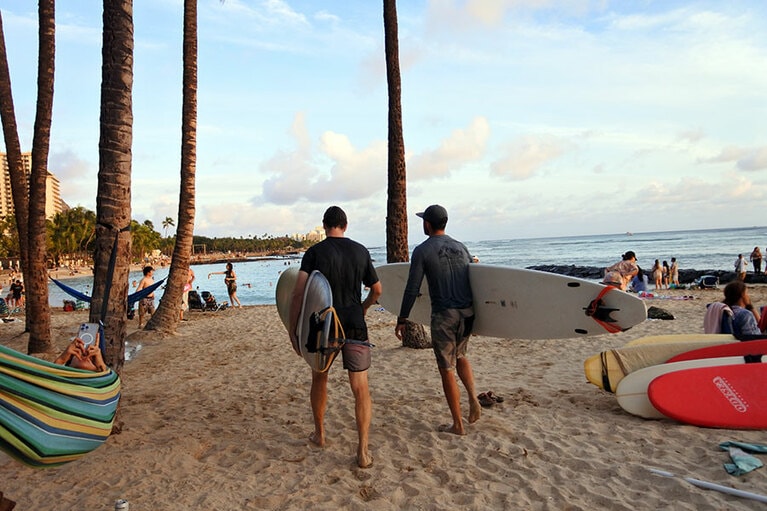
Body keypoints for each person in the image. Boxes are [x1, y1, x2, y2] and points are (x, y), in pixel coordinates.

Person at [288, 206, 381, 469]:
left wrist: (293, 329)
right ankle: (362, 451)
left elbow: (298, 293)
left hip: (325, 325)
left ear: (325, 225)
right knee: (360, 388)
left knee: (320, 376)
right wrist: (362, 308)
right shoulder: (361, 251)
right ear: (346, 225)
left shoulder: (314, 253)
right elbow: (377, 289)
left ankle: (320, 435)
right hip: (354, 324)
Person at [395, 204, 481, 436]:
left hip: (445, 315)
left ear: (428, 224)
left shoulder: (423, 250)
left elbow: (412, 288)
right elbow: (475, 274)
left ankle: (458, 424)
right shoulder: (461, 247)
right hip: (468, 313)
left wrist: (402, 317)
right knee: (461, 355)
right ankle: (473, 397)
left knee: (446, 368)